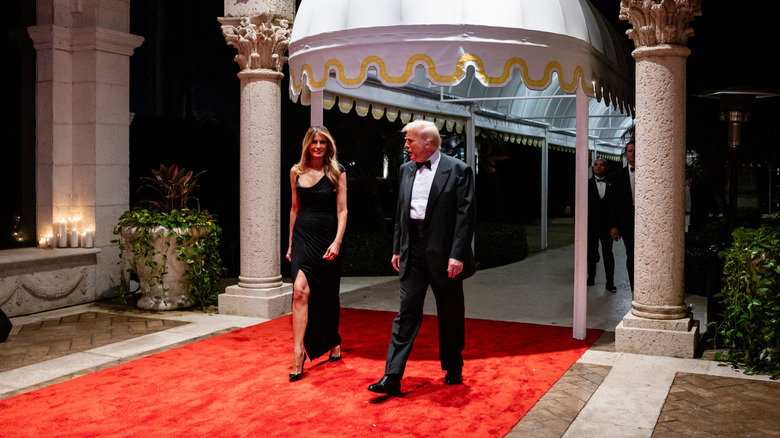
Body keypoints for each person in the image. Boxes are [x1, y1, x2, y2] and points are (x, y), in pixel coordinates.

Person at [368, 120, 476, 396]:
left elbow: (466, 217)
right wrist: (397, 248)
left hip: (445, 254)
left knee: (450, 313)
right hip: (412, 251)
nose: (406, 146)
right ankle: (392, 375)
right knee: (406, 313)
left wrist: (457, 254)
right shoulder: (405, 170)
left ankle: (454, 366)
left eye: (410, 141)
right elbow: (401, 213)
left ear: (428, 143)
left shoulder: (459, 170)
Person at [286, 126, 348, 382]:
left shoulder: (337, 172)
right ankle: (298, 353)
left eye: (323, 142)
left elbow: (343, 210)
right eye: (314, 142)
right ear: (307, 146)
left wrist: (337, 242)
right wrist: (290, 244)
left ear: (328, 146)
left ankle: (332, 340)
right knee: (300, 291)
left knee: (326, 295)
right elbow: (294, 209)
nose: (319, 146)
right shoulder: (296, 172)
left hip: (327, 239)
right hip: (302, 238)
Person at [610, 141, 636, 291]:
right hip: (626, 221)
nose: (633, 153)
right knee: (631, 254)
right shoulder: (617, 176)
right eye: (630, 151)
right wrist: (614, 226)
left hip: (645, 220)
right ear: (626, 154)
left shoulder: (649, 173)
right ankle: (634, 289)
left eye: (635, 150)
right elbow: (613, 204)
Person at [587, 158, 616, 292]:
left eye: (602, 165)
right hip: (591, 225)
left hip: (607, 226)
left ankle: (610, 282)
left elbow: (615, 207)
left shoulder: (613, 184)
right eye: (596, 165)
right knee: (591, 252)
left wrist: (614, 226)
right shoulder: (586, 184)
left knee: (607, 253)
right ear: (593, 168)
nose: (598, 167)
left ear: (607, 168)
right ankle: (591, 276)